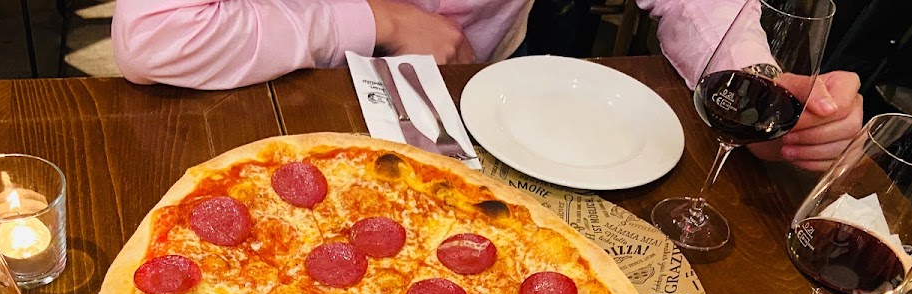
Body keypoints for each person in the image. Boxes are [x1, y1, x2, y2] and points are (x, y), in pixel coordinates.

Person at [111, 0, 861, 173]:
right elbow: (155, 34)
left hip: (474, 103)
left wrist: (755, 85)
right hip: (264, 95)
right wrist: (381, 19)